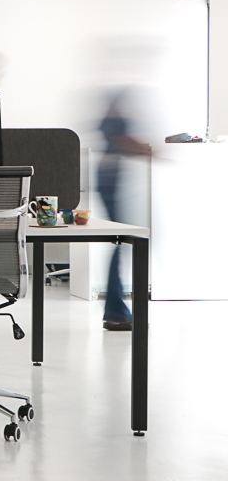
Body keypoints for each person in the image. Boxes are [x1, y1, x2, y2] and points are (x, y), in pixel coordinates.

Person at [97, 88, 151, 331]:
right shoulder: (113, 118)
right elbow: (121, 141)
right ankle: (116, 312)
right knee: (121, 243)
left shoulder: (112, 116)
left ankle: (116, 310)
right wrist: (146, 149)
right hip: (111, 183)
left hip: (112, 181)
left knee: (120, 244)